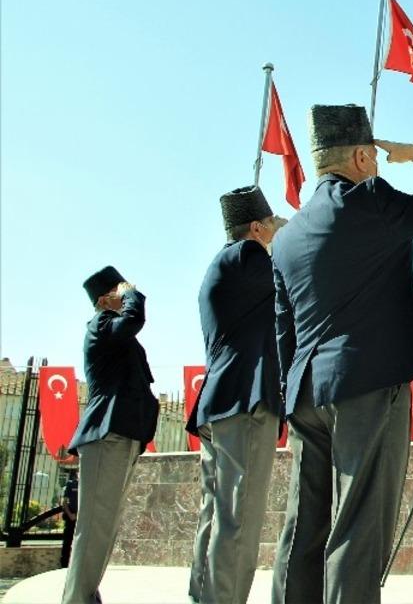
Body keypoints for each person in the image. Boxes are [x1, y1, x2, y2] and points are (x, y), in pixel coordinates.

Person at [270, 104, 413, 604]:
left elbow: (283, 329)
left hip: (304, 393)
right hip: (365, 386)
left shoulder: (287, 236)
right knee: (357, 528)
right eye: (377, 158)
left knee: (305, 527)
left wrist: (290, 394)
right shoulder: (371, 202)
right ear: (364, 156)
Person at [186, 186, 287, 604]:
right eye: (274, 228)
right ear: (258, 228)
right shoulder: (248, 257)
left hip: (223, 401)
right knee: (239, 520)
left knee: (218, 517)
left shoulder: (223, 263)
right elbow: (293, 284)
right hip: (245, 400)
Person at [62, 267, 159, 604]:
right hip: (107, 433)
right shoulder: (101, 324)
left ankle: (85, 595)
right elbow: (131, 322)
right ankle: (76, 599)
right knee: (95, 526)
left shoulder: (111, 329)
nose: (127, 292)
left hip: (122, 433)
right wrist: (132, 294)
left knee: (105, 526)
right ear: (105, 299)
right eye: (118, 290)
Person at [59, 469, 78, 569]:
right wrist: (70, 514)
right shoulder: (71, 485)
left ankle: (76, 564)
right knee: (67, 542)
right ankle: (64, 565)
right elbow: (65, 502)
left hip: (81, 519)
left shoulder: (87, 486)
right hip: (71, 518)